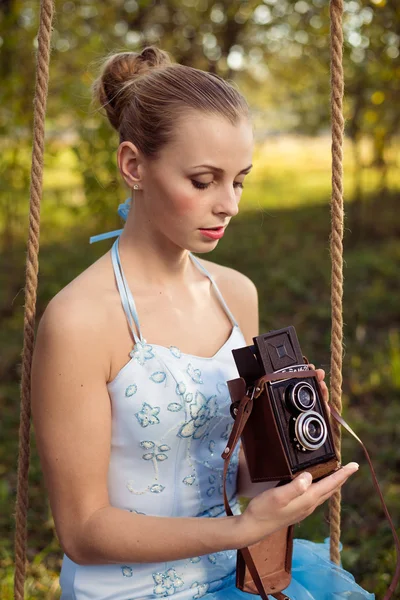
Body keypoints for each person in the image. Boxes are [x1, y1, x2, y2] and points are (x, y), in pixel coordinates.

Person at [31, 46, 374, 600]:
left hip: (237, 578)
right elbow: (82, 530)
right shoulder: (80, 320)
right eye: (203, 180)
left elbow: (232, 470)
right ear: (134, 166)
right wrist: (242, 528)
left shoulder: (235, 294)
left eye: (239, 180)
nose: (229, 205)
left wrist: (291, 456)